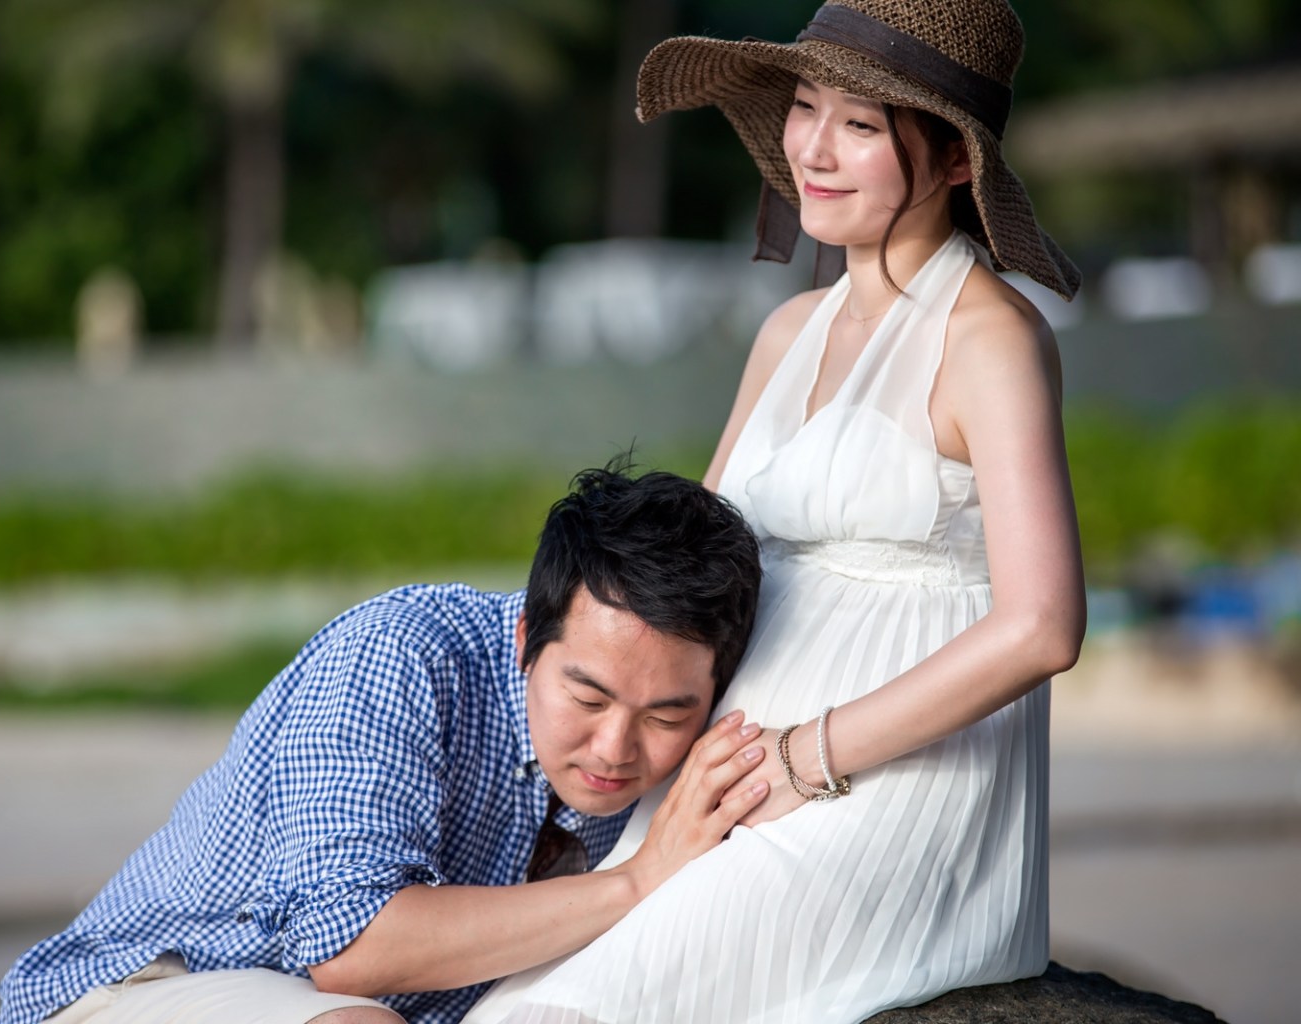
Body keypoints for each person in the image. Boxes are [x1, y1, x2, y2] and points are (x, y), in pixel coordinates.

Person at [465, 0, 1086, 1021]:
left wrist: (809, 759)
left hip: (888, 779)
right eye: (806, 108)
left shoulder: (992, 342)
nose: (815, 150)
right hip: (736, 759)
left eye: (860, 124)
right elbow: (688, 571)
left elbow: (1042, 627)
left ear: (958, 161)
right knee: (521, 989)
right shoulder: (789, 329)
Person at [0, 463, 767, 1024]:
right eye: (587, 697)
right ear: (530, 637)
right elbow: (352, 947)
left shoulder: (689, 744)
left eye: (666, 718)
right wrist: (637, 879)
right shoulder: (399, 658)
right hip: (138, 989)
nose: (614, 748)